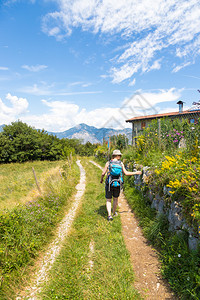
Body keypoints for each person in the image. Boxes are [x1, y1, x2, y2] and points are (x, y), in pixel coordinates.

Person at [100, 149, 142, 221]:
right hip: (118, 183)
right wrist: (136, 172)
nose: (120, 156)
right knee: (115, 199)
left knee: (108, 200)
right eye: (120, 155)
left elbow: (103, 173)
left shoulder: (108, 163)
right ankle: (113, 213)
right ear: (118, 156)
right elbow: (126, 173)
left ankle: (109, 215)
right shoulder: (121, 163)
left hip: (109, 183)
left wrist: (101, 179)